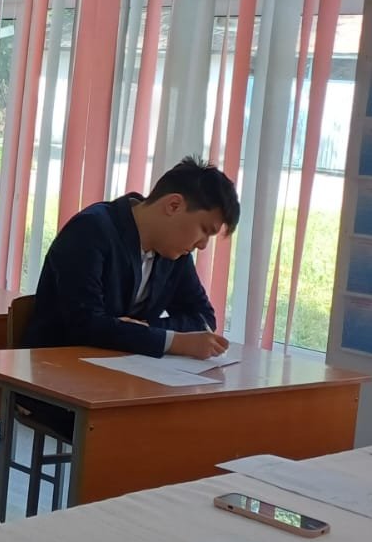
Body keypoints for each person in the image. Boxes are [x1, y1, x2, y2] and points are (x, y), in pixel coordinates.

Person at [21, 156, 241, 435]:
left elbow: (203, 318)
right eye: (204, 230)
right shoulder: (91, 230)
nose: (203, 245)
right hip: (57, 379)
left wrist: (145, 330)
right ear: (173, 205)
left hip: (123, 380)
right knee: (157, 430)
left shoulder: (174, 252)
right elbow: (85, 326)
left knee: (196, 422)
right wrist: (174, 342)